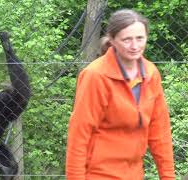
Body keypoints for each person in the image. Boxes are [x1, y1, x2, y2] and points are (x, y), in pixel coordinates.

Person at [65, 9, 175, 180]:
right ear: (113, 40)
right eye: (127, 39)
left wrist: (168, 177)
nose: (135, 46)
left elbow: (160, 133)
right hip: (97, 174)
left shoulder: (151, 73)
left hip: (134, 174)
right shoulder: (96, 75)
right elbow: (79, 136)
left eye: (140, 38)